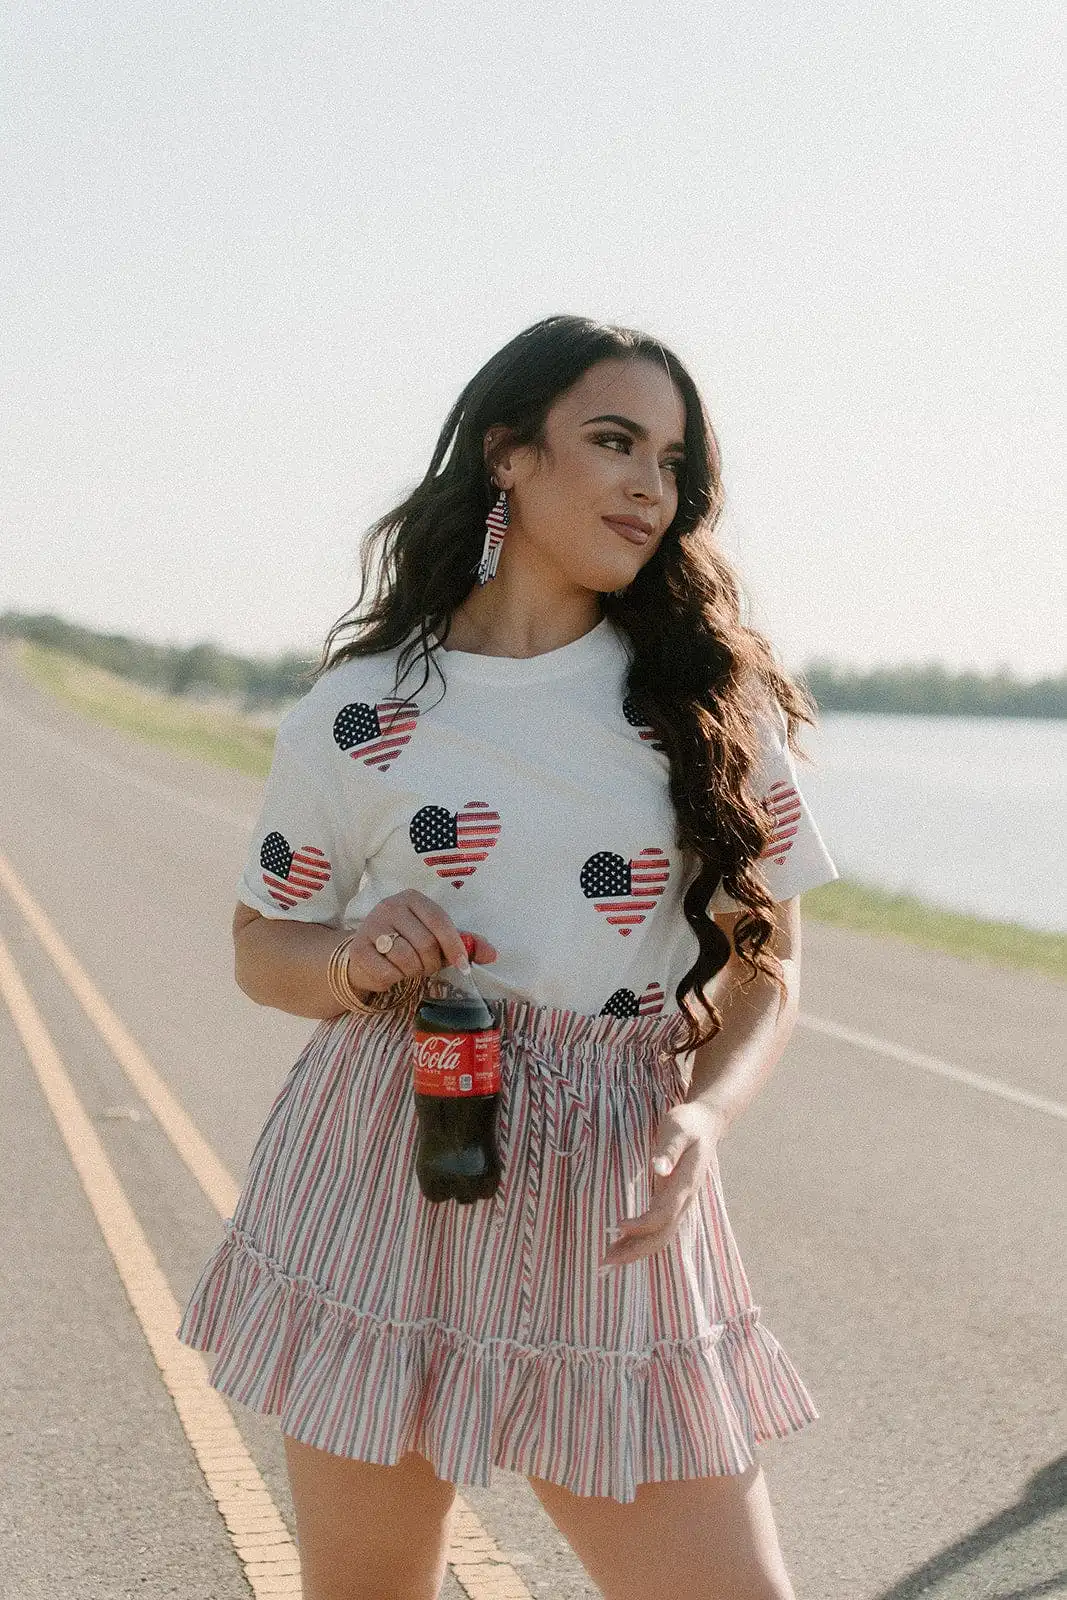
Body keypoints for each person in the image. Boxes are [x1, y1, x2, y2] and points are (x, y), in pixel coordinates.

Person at [176, 313, 839, 1600]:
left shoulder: (704, 703)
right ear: (507, 454)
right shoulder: (360, 711)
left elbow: (770, 966)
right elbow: (263, 948)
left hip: (613, 1185)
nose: (651, 485)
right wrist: (360, 959)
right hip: (390, 1155)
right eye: (612, 441)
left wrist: (703, 1118)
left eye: (672, 463)